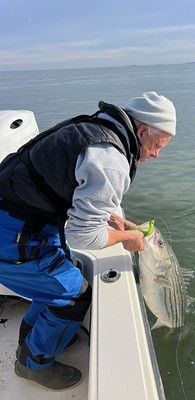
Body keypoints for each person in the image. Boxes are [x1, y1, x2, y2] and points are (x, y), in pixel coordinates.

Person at [0, 91, 176, 390]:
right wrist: (128, 238)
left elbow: (61, 182)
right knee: (74, 295)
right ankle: (32, 365)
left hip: (22, 218)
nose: (157, 154)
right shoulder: (111, 160)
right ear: (142, 130)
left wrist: (110, 218)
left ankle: (35, 340)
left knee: (56, 283)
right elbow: (81, 235)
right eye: (158, 146)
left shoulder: (93, 129)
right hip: (12, 233)